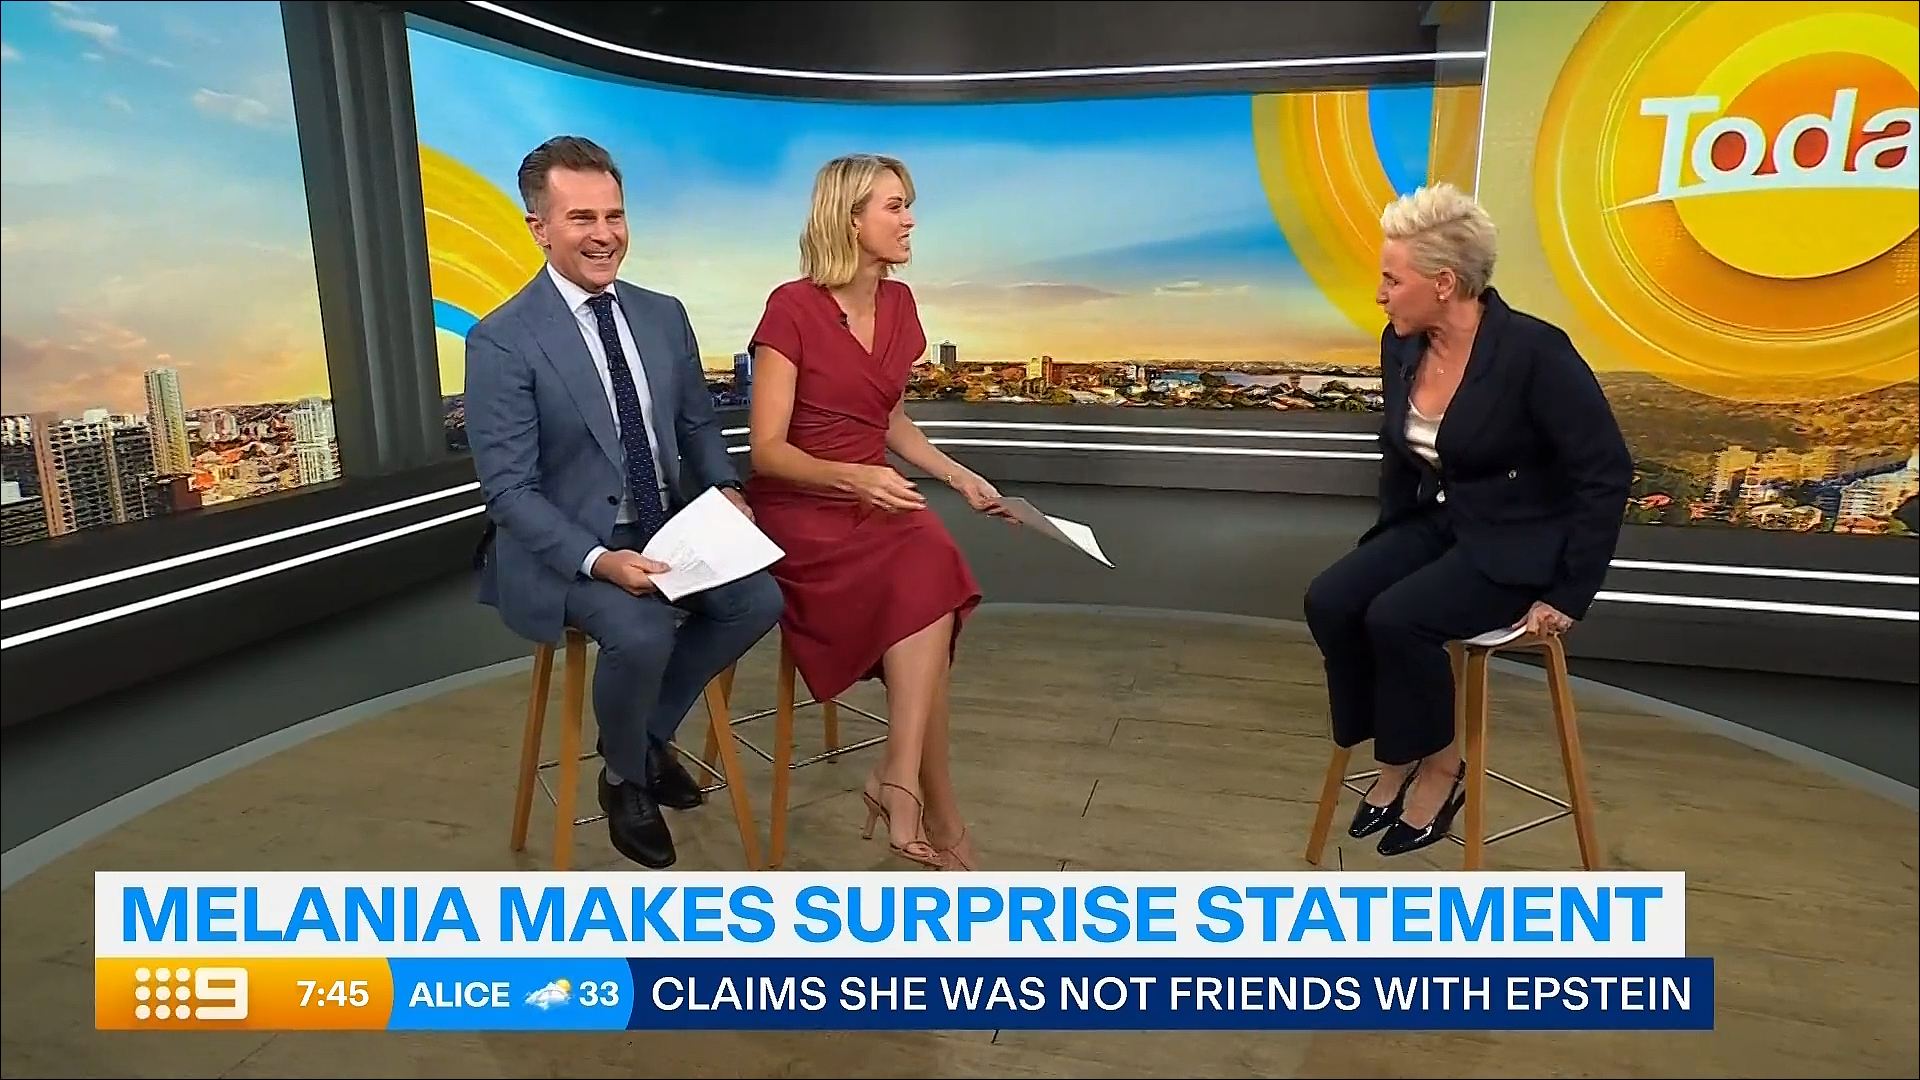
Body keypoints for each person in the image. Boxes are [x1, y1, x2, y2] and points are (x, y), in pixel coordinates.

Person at [464, 136, 783, 870]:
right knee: (641, 632)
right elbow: (509, 492)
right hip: (569, 547)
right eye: (581, 218)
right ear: (539, 228)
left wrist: (725, 488)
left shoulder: (663, 315)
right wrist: (602, 561)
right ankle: (629, 782)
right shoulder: (502, 341)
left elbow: (696, 424)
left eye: (614, 215)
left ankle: (632, 745)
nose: (604, 234)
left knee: (757, 601)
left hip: (665, 526)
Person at [1303, 182, 1632, 858]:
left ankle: (1440, 770)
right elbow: (1398, 455)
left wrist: (1569, 593)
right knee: (1332, 599)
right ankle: (1396, 752)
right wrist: (1386, 544)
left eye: (1392, 280)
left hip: (1520, 541)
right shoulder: (1401, 345)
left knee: (1397, 619)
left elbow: (1606, 472)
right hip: (1442, 524)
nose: (1380, 295)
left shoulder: (1534, 352)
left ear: (1445, 283)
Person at [745, 153, 1008, 871]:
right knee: (926, 585)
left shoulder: (901, 305)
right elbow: (766, 451)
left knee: (930, 563)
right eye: (895, 206)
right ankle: (930, 806)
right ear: (850, 218)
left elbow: (888, 420)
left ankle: (902, 781)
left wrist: (958, 475)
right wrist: (851, 479)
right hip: (804, 504)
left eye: (907, 205)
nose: (910, 220)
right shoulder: (791, 307)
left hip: (875, 492)